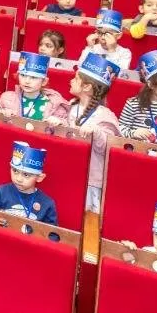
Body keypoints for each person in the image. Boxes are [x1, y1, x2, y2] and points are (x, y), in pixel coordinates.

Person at [49, 54, 121, 211]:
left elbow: (109, 148)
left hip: (91, 180)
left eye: (75, 79)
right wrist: (60, 125)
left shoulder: (104, 115)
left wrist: (96, 132)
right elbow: (69, 136)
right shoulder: (72, 106)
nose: (70, 81)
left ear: (87, 87)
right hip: (70, 170)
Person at [0, 52, 65, 122]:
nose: (27, 81)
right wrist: (2, 115)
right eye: (23, 75)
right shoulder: (6, 98)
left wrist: (58, 122)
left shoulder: (54, 104)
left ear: (44, 82)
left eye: (34, 77)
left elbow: (65, 124)